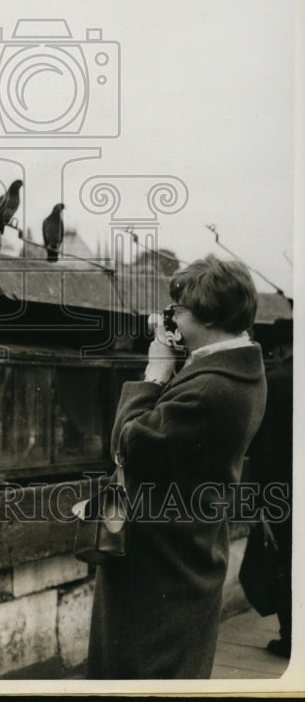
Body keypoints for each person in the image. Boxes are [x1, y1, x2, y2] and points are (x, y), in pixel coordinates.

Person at [86, 255, 267, 679]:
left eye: (177, 309)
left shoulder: (208, 387)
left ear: (206, 312)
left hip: (160, 567)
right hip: (188, 551)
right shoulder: (239, 370)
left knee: (142, 675)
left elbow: (126, 444)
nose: (169, 318)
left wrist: (155, 372)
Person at [245, 347, 292, 657]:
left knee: (287, 566)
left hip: (285, 495)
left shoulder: (275, 381)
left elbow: (264, 452)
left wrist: (261, 505)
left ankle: (291, 639)